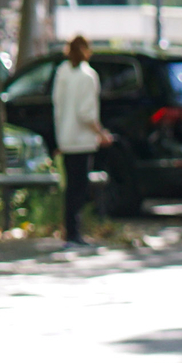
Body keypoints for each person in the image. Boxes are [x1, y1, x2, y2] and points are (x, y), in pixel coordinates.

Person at [51, 34, 114, 247]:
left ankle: (69, 229)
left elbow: (57, 104)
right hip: (82, 138)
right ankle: (74, 232)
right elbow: (86, 112)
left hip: (66, 137)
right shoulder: (88, 75)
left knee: (70, 186)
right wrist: (100, 132)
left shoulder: (62, 72)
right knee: (79, 187)